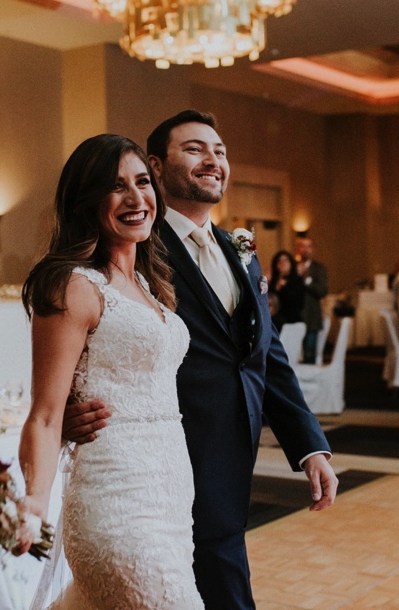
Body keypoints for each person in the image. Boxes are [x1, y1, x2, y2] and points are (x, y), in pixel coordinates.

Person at [59, 111, 336, 609]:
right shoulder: (134, 243)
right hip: (154, 463)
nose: (213, 160)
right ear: (157, 167)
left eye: (220, 150)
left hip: (228, 459)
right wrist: (65, 410)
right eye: (195, 149)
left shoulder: (240, 251)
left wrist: (310, 446)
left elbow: (263, 356)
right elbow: (84, 335)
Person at [16, 134, 203, 607]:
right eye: (116, 187)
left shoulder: (149, 283)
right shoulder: (73, 286)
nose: (136, 198)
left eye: (143, 182)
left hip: (172, 501)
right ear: (87, 200)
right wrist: (35, 501)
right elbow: (44, 413)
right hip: (115, 503)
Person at [295, 237, 329, 363]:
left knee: (309, 356)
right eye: (302, 246)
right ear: (298, 249)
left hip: (311, 318)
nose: (305, 249)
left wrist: (306, 279)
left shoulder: (319, 268)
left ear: (313, 250)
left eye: (308, 246)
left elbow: (322, 291)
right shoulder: (293, 267)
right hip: (295, 317)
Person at [268, 250, 305, 330]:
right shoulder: (273, 282)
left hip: (291, 322)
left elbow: (298, 301)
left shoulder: (296, 280)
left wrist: (285, 287)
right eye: (279, 261)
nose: (283, 264)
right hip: (274, 321)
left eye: (286, 260)